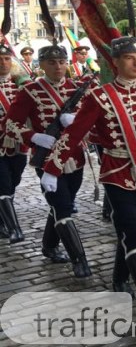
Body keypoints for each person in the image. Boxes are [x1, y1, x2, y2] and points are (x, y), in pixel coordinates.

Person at [42, 33, 136, 321]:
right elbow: (74, 134)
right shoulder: (100, 96)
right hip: (118, 173)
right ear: (116, 62)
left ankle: (119, 276)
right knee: (135, 230)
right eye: (129, 58)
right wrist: (52, 167)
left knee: (133, 229)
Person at [5, 42, 91, 274]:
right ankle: (79, 260)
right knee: (62, 206)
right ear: (41, 65)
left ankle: (48, 245)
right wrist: (34, 137)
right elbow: (10, 125)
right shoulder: (30, 91)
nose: (58, 67)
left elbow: (93, 124)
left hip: (76, 158)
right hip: (46, 159)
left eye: (62, 62)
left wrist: (78, 124)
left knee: (59, 205)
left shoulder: (76, 88)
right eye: (52, 62)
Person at [0, 44, 29, 244]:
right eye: (0, 60)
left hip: (18, 144)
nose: (3, 63)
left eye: (7, 59)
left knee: (14, 180)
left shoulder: (21, 85)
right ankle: (13, 228)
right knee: (3, 184)